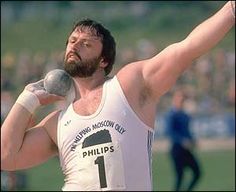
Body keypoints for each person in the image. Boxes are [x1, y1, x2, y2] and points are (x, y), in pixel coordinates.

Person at [1, 1, 235, 191]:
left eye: (86, 44)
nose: (74, 46)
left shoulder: (129, 87)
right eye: (72, 41)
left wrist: (231, 10)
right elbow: (5, 156)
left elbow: (188, 48)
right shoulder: (58, 123)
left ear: (104, 60)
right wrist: (27, 98)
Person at [165, 89, 201, 191]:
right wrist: (182, 141)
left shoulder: (185, 115)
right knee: (180, 176)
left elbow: (187, 131)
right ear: (174, 100)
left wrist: (192, 140)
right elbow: (170, 132)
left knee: (197, 172)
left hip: (186, 150)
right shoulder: (171, 115)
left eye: (182, 99)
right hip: (176, 150)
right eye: (179, 98)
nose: (181, 100)